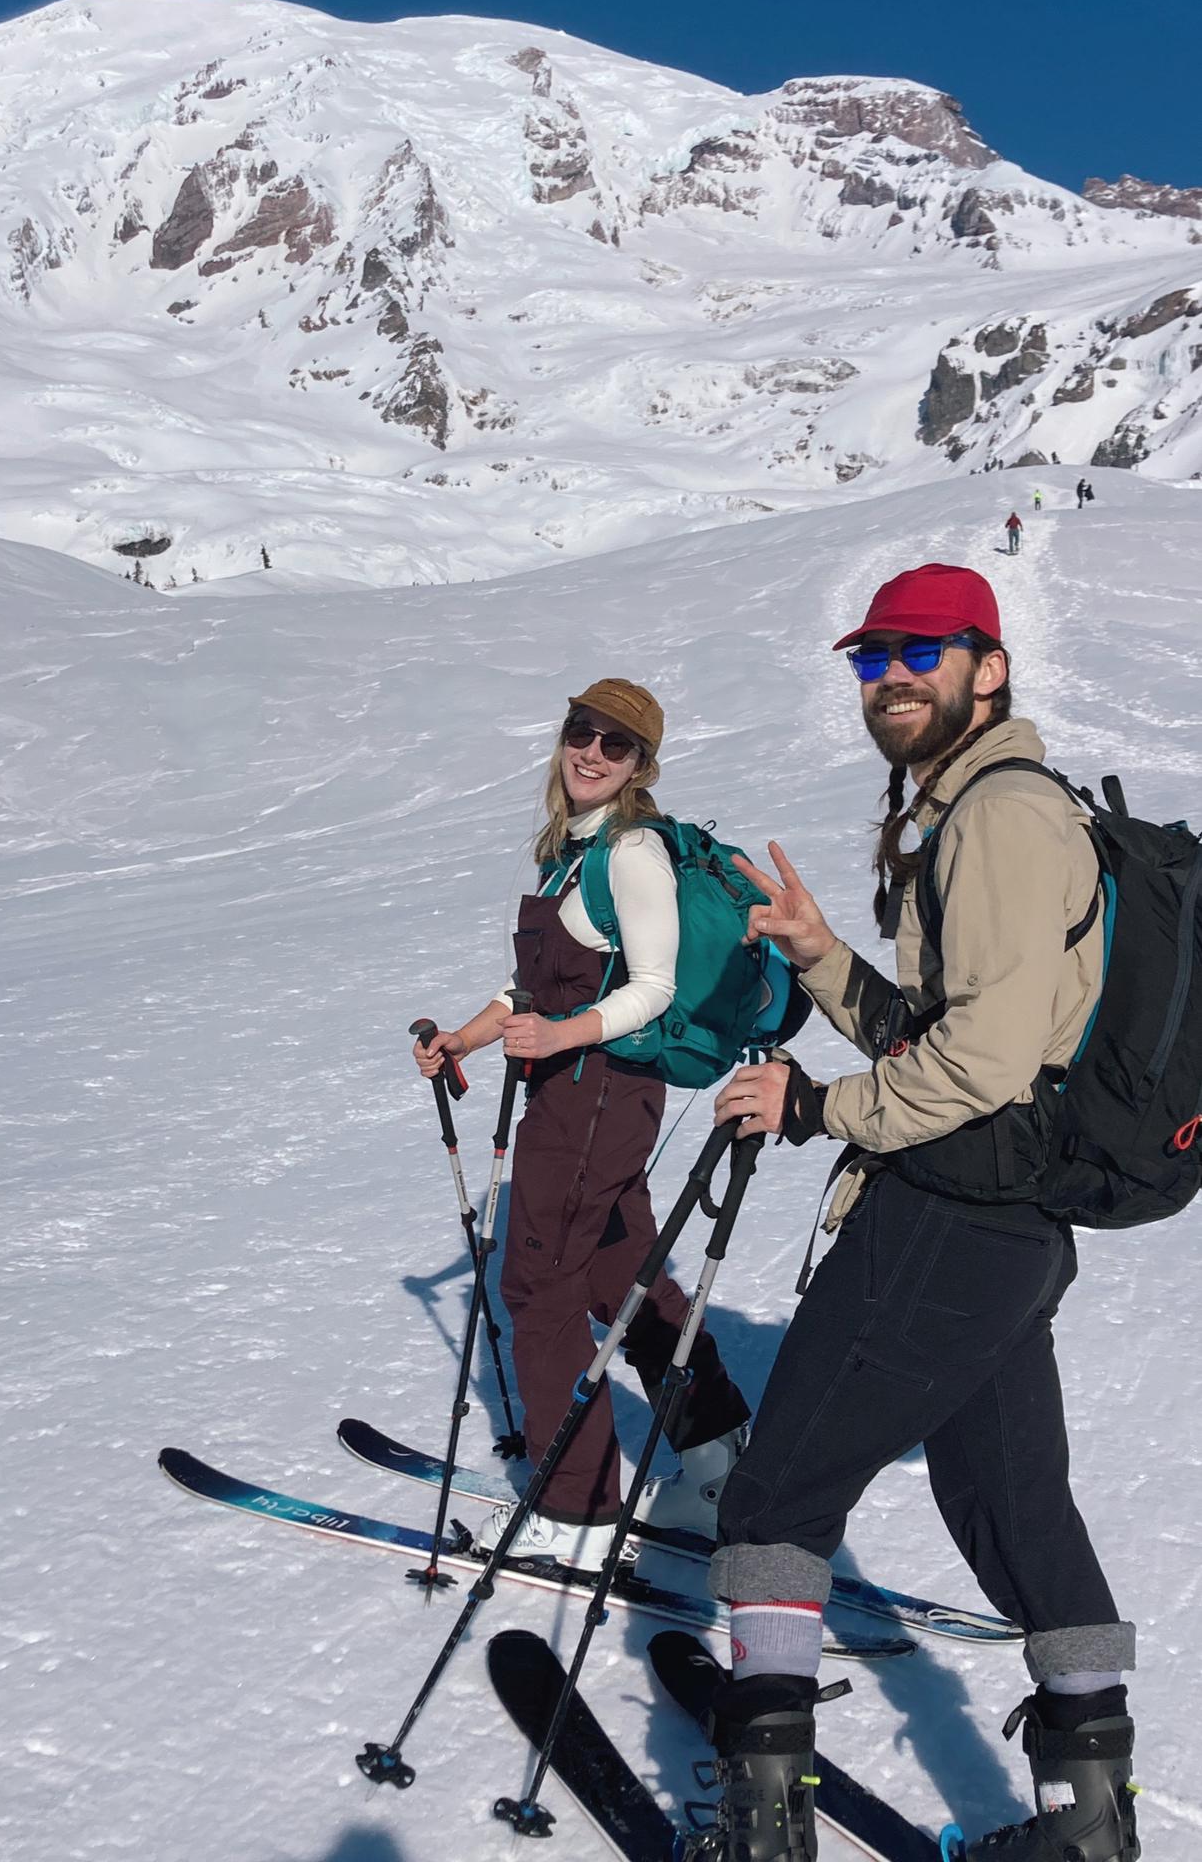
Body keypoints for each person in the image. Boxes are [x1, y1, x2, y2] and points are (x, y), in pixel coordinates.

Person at [698, 565, 1137, 1862]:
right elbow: (947, 1030)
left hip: (946, 1217)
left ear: (987, 667)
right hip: (1007, 1231)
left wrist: (816, 1111)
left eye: (920, 652)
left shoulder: (998, 815)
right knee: (1012, 1508)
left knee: (776, 1496)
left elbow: (978, 1069)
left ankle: (764, 1827)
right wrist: (823, 956)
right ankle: (1092, 1825)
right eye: (870, 657)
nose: (889, 677)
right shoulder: (987, 811)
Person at [414, 678, 750, 1568]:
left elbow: (655, 987)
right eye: (581, 733)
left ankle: (579, 1512)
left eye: (616, 745)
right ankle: (718, 1468)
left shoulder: (631, 851)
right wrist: (469, 1038)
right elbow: (540, 983)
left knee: (541, 1296)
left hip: (595, 1097)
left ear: (642, 764)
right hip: (586, 1097)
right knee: (620, 1278)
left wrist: (559, 1033)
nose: (592, 754)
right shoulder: (572, 849)